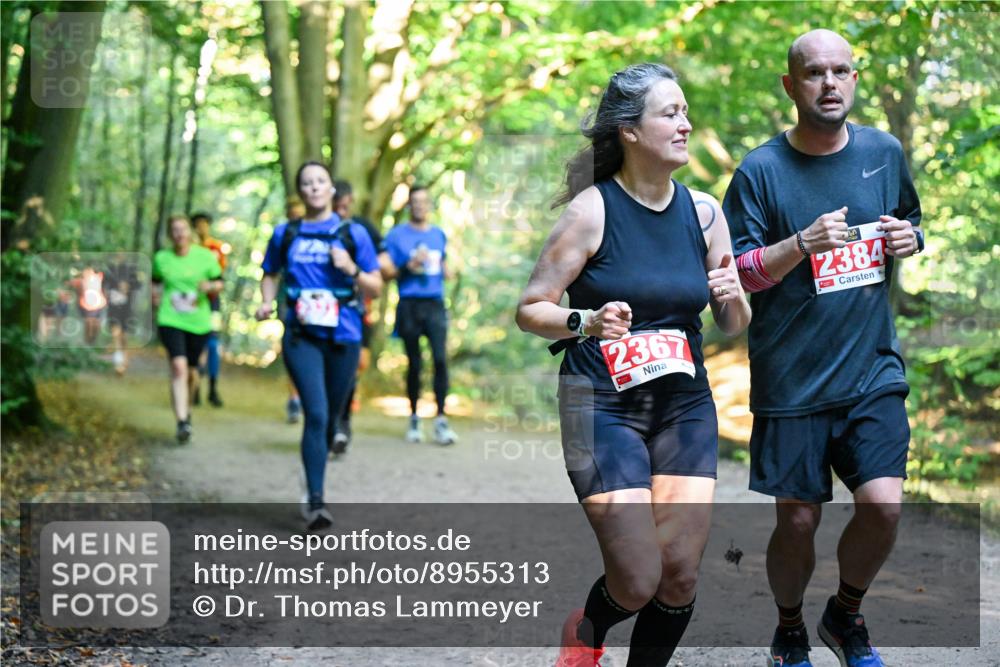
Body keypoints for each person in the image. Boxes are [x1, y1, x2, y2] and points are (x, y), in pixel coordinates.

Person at [516, 63, 750, 667]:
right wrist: (585, 322)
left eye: (685, 111)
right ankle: (589, 628)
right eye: (670, 113)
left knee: (680, 575)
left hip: (684, 406)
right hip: (601, 405)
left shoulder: (704, 214)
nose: (685, 123)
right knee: (639, 577)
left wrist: (731, 296)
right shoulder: (591, 212)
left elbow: (733, 323)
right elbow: (531, 309)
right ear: (629, 130)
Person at [721, 30, 923, 667]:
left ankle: (845, 615)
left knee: (884, 507)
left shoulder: (884, 152)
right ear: (791, 85)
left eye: (840, 71)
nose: (829, 83)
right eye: (814, 73)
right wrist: (801, 243)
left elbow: (913, 223)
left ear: (855, 79)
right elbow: (735, 274)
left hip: (871, 369)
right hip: (791, 379)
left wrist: (909, 239)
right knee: (799, 524)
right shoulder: (760, 170)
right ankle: (788, 626)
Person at [256, 161, 382, 530]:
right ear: (301, 191)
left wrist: (352, 269)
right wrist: (267, 301)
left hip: (344, 333)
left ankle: (313, 472)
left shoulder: (352, 233)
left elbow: (374, 285)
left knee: (331, 417)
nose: (313, 188)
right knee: (316, 412)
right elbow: (270, 273)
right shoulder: (286, 233)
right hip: (301, 335)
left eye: (320, 181)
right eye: (306, 183)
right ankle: (316, 501)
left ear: (331, 190)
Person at [379, 185, 458, 445]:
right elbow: (385, 272)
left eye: (424, 201)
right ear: (410, 205)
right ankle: (414, 418)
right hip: (409, 304)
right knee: (414, 362)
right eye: (415, 202)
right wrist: (408, 266)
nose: (420, 206)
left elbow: (444, 263)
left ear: (430, 205)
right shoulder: (396, 235)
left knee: (440, 360)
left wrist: (447, 271)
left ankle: (441, 420)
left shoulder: (438, 235)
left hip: (435, 303)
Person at [152, 215, 224, 443]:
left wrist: (210, 286)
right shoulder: (161, 258)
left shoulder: (205, 256)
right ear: (170, 234)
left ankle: (187, 409)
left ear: (189, 232)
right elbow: (155, 281)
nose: (179, 234)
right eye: (174, 230)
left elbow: (220, 282)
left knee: (192, 373)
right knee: (178, 367)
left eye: (183, 229)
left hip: (198, 321)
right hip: (170, 318)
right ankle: (182, 421)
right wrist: (155, 294)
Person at [330, 179, 384, 453]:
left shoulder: (361, 230)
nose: (341, 206)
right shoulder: (315, 230)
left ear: (351, 200)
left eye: (344, 201)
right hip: (319, 314)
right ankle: (329, 423)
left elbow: (385, 263)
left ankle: (342, 422)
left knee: (352, 367)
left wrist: (361, 268)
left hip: (356, 312)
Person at [192, 212, 228, 407]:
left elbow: (220, 275)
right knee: (196, 345)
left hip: (212, 303)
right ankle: (194, 386)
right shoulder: (188, 248)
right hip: (193, 304)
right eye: (198, 224)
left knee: (212, 345)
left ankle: (212, 388)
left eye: (204, 224)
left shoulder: (216, 247)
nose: (201, 227)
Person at [280, 195, 307, 423]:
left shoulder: (319, 233)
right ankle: (294, 398)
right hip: (289, 302)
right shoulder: (283, 236)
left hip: (317, 306)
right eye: (293, 213)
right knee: (294, 351)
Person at [104, 253, 141, 375]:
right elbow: (103, 286)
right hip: (113, 308)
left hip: (127, 309)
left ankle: (124, 357)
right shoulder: (109, 269)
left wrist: (128, 286)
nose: (118, 255)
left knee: (124, 336)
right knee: (115, 334)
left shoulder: (130, 270)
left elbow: (138, 285)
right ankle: (118, 363)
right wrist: (107, 293)